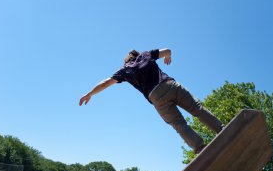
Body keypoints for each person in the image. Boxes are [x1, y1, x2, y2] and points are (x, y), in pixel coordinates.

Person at [79, 48, 223, 154]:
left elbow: (105, 83)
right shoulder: (145, 55)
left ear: (126, 61)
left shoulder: (124, 70)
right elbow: (167, 50)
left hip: (156, 97)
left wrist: (90, 93)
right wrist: (168, 56)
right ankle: (221, 130)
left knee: (179, 124)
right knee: (196, 109)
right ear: (136, 54)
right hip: (170, 85)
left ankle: (200, 149)